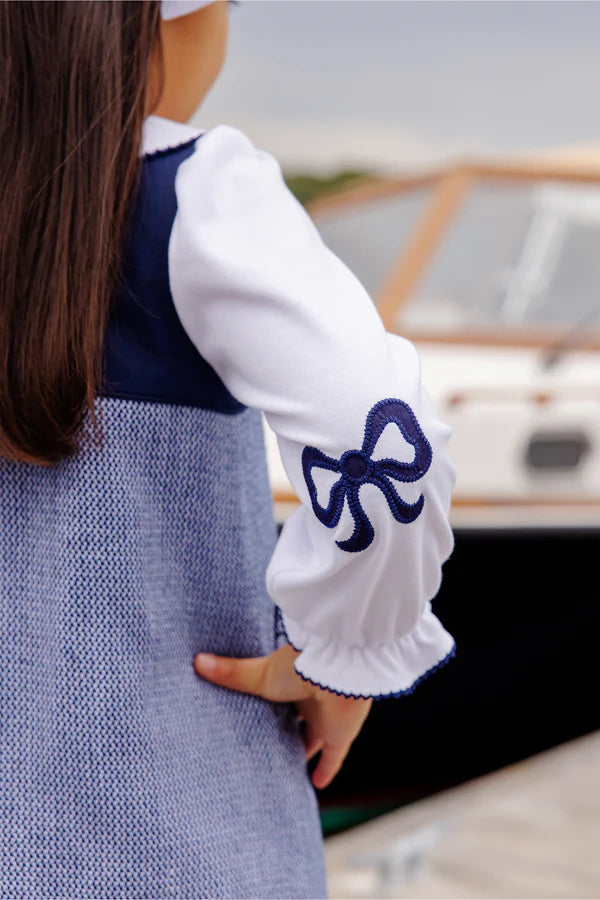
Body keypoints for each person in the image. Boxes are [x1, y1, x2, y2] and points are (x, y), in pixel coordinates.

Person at [0, 1, 456, 897]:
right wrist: (347, 651)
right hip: (174, 834)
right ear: (173, 19)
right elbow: (375, 426)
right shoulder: (198, 194)